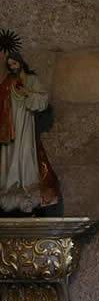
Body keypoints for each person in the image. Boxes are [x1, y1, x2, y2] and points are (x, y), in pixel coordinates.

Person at [0, 37, 60, 214]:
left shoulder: (31, 80)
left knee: (25, 152)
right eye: (9, 65)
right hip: (9, 126)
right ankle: (9, 186)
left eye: (14, 63)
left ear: (20, 62)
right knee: (9, 155)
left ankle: (26, 185)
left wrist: (26, 93)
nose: (12, 67)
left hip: (25, 122)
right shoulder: (6, 83)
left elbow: (42, 99)